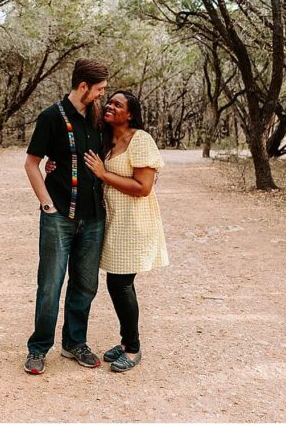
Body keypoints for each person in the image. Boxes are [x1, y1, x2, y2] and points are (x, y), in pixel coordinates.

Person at [24, 58, 109, 374]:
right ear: (83, 86)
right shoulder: (51, 118)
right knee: (50, 286)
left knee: (85, 285)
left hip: (94, 219)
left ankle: (75, 343)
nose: (102, 95)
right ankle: (38, 349)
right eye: (98, 89)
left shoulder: (99, 120)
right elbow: (32, 163)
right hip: (59, 216)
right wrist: (47, 205)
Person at [82, 89, 168, 373]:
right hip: (115, 221)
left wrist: (104, 174)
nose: (110, 106)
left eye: (117, 104)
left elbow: (144, 188)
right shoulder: (106, 139)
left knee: (120, 284)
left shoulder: (140, 140)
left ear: (130, 114)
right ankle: (125, 340)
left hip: (135, 223)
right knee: (115, 284)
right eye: (109, 102)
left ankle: (132, 348)